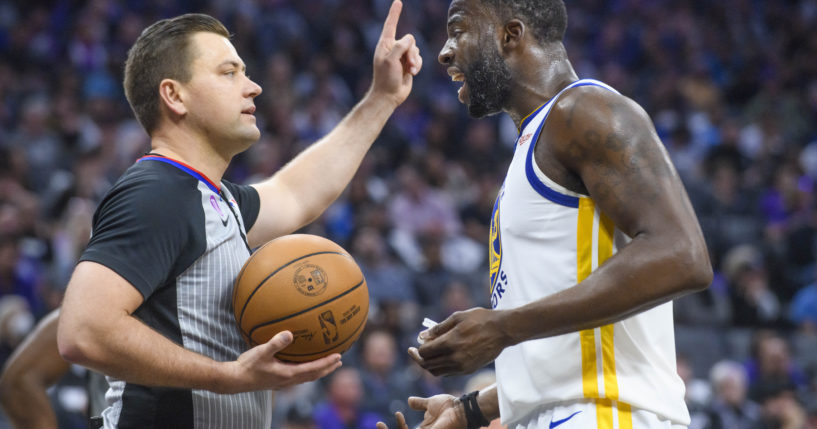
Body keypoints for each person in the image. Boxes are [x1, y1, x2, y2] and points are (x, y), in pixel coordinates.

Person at [56, 3, 421, 428]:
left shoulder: (212, 198)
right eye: (229, 73)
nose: (253, 87)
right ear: (174, 95)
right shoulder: (158, 192)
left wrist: (382, 98)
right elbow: (83, 332)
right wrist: (226, 376)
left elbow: (297, 193)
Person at [382, 0, 713, 428]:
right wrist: (471, 408)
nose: (445, 52)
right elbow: (569, 348)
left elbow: (682, 255)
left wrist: (502, 328)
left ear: (511, 35)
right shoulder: (535, 141)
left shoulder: (584, 111)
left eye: (458, 30)